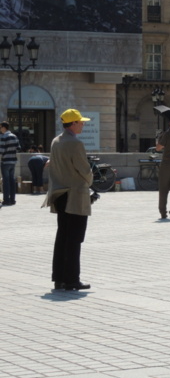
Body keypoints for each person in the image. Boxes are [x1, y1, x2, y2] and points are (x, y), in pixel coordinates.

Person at [44, 109, 93, 291]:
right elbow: (85, 170)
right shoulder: (75, 143)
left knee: (62, 236)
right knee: (75, 238)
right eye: (80, 122)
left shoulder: (56, 141)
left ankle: (59, 278)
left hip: (59, 193)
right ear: (73, 124)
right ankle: (72, 279)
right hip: (75, 195)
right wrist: (90, 182)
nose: (83, 124)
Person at [0, 121, 21, 206]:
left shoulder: (3, 137)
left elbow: (1, 150)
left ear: (4, 127)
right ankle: (13, 199)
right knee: (12, 180)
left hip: (5, 161)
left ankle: (6, 200)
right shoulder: (14, 136)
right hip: (13, 161)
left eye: (0, 127)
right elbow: (18, 148)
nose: (0, 129)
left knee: (6, 181)